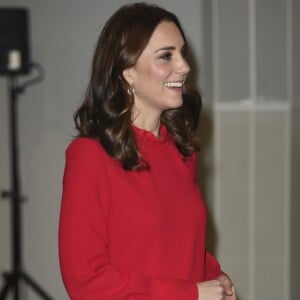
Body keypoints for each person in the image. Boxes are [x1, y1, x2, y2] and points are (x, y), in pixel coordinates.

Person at [59, 2, 236, 300]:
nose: (184, 66)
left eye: (182, 53)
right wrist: (189, 294)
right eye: (166, 56)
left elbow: (174, 246)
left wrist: (212, 274)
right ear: (128, 72)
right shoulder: (89, 156)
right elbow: (85, 279)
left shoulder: (182, 152)